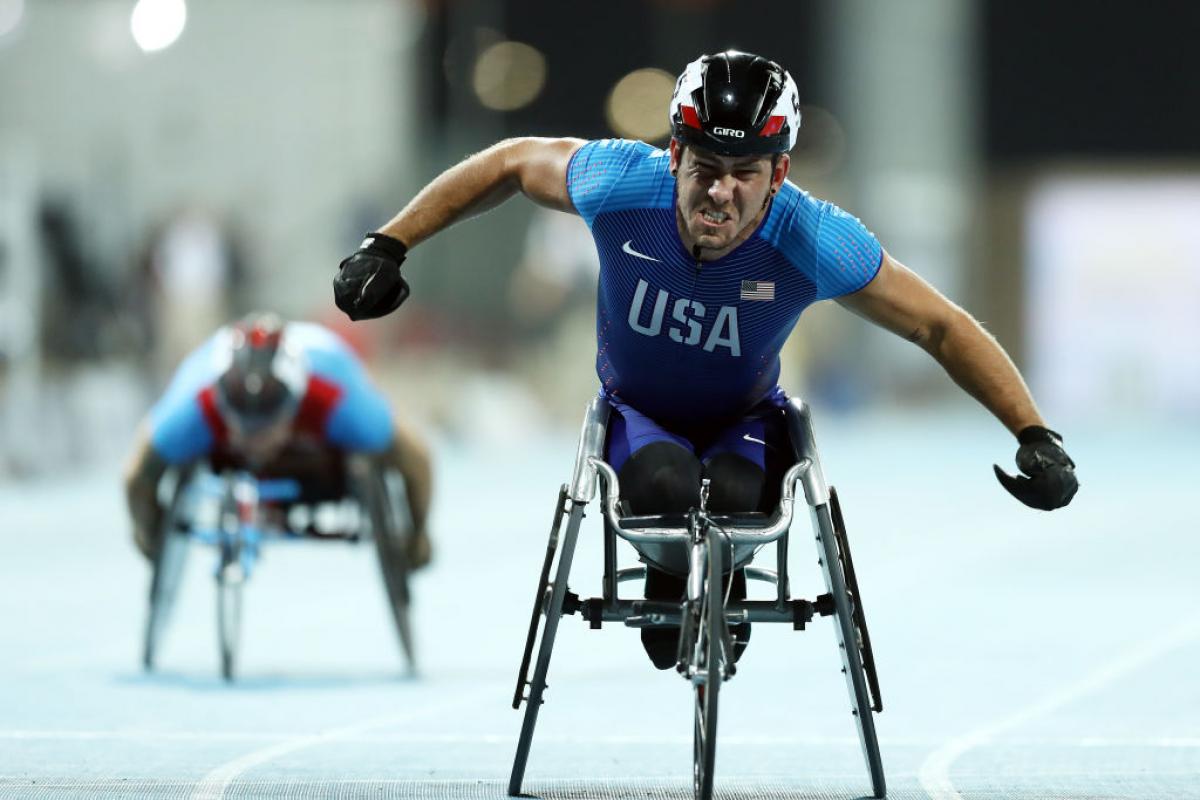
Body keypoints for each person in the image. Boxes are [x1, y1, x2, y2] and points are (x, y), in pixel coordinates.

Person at [332, 50, 1078, 668]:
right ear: (675, 153)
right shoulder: (623, 182)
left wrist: (1033, 433)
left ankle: (720, 575)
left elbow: (941, 327)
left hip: (746, 423)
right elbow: (508, 162)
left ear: (780, 175)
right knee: (661, 480)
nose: (720, 193)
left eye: (746, 172)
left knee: (734, 491)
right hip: (637, 415)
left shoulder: (812, 238)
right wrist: (387, 244)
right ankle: (670, 572)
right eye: (705, 168)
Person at [124, 312, 433, 570]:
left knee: (386, 447)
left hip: (326, 374)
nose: (255, 439)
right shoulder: (194, 405)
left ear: (295, 405)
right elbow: (137, 478)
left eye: (266, 426)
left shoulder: (340, 401)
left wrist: (417, 536)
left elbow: (417, 460)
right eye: (244, 426)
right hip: (214, 387)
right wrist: (148, 535)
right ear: (223, 406)